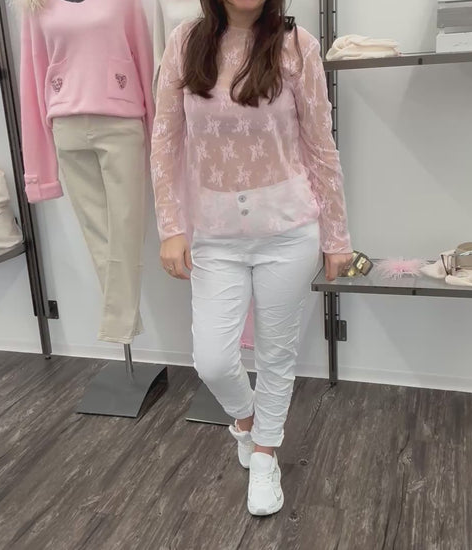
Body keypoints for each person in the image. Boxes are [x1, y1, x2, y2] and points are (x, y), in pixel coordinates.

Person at [151, 0, 352, 516]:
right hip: (214, 234)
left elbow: (321, 146)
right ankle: (245, 422)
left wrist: (337, 236)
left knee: (275, 354)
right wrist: (171, 228)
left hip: (288, 230)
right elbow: (165, 142)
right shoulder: (185, 43)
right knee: (213, 361)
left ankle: (265, 455)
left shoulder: (297, 46)